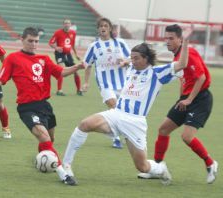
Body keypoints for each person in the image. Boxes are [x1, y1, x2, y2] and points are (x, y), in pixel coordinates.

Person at [62, 27, 192, 185]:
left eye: (136, 58)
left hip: (135, 122)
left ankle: (160, 169)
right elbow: (124, 62)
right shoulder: (131, 68)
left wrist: (184, 43)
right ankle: (66, 166)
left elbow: (183, 63)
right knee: (85, 124)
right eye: (132, 58)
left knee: (142, 167)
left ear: (146, 59)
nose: (133, 61)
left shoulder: (157, 73)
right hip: (116, 114)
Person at [0, 27, 85, 185]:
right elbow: (0, 79)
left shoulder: (44, 59)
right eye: (30, 41)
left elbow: (60, 72)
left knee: (48, 141)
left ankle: (42, 160)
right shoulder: (13, 58)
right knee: (44, 137)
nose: (34, 44)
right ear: (22, 40)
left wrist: (76, 67)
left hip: (45, 106)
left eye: (36, 41)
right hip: (27, 107)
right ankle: (64, 174)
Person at [137, 24, 218, 184]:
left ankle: (210, 163)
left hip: (200, 99)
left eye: (171, 38)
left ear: (180, 40)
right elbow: (184, 78)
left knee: (186, 137)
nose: (167, 41)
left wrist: (188, 100)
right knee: (163, 129)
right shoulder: (177, 57)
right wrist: (183, 97)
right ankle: (158, 168)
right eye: (166, 38)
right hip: (186, 98)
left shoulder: (190, 54)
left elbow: (201, 78)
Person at [82, 18, 131, 149]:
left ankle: (124, 133)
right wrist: (86, 82)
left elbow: (132, 57)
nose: (103, 28)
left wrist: (126, 61)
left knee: (123, 111)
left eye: (105, 26)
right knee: (114, 108)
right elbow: (87, 65)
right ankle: (116, 138)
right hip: (105, 84)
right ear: (98, 29)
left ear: (110, 28)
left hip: (122, 83)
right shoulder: (94, 46)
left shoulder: (120, 43)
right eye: (100, 26)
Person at [49, 18, 82, 96]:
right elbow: (50, 42)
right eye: (65, 23)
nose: (67, 24)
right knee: (61, 70)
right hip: (59, 54)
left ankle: (79, 90)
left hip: (68, 54)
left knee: (75, 71)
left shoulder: (73, 33)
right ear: (63, 24)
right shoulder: (58, 32)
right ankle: (59, 90)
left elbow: (72, 44)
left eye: (68, 23)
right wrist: (56, 48)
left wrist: (76, 54)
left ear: (70, 25)